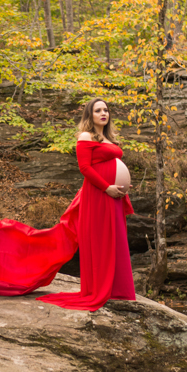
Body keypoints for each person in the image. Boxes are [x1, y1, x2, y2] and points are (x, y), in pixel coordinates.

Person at [37, 99, 136, 310]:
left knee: (116, 237)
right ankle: (100, 288)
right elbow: (85, 168)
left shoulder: (109, 138)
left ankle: (117, 290)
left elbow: (112, 164)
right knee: (102, 238)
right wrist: (106, 187)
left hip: (114, 196)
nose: (103, 113)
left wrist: (122, 183)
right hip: (99, 194)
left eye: (106, 110)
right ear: (89, 115)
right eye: (98, 110)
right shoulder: (85, 136)